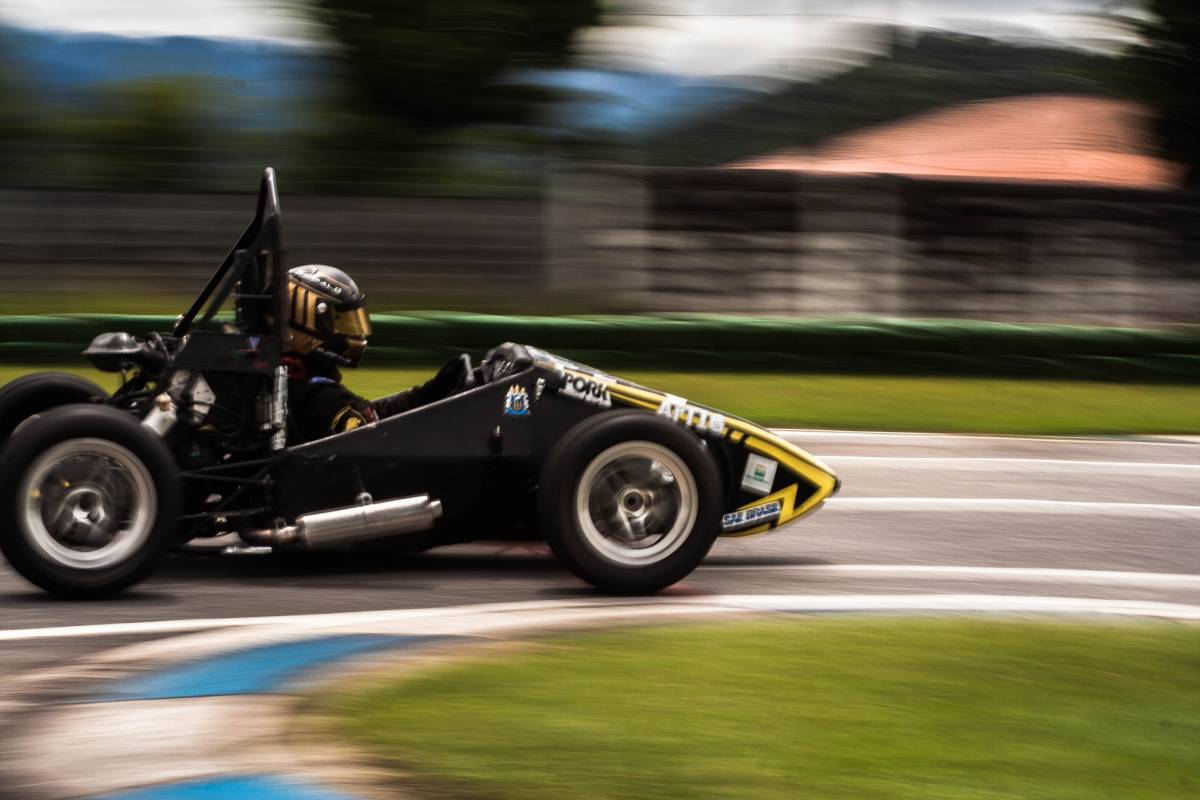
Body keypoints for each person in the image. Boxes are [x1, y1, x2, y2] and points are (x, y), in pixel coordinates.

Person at [282, 264, 467, 442]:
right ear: (307, 328)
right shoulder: (321, 397)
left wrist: (431, 391)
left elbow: (373, 414)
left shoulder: (297, 384)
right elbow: (381, 441)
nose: (353, 333)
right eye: (341, 323)